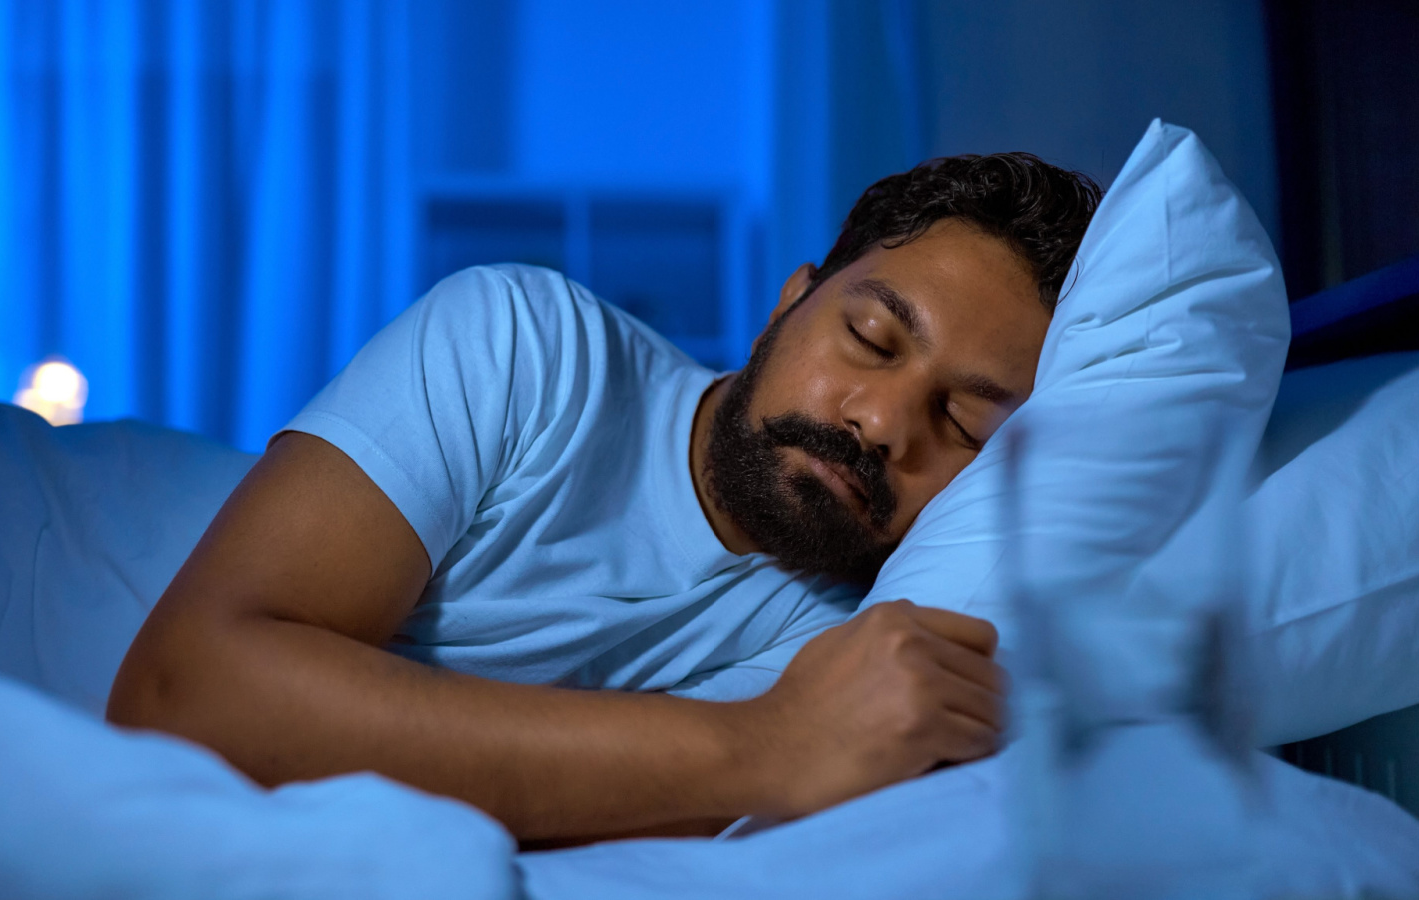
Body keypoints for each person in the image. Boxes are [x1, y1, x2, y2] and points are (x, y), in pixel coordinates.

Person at [106, 153, 1102, 844]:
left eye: (966, 425)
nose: (884, 423)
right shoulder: (525, 347)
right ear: (788, 301)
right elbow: (180, 696)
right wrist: (764, 745)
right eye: (871, 341)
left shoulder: (869, 632)